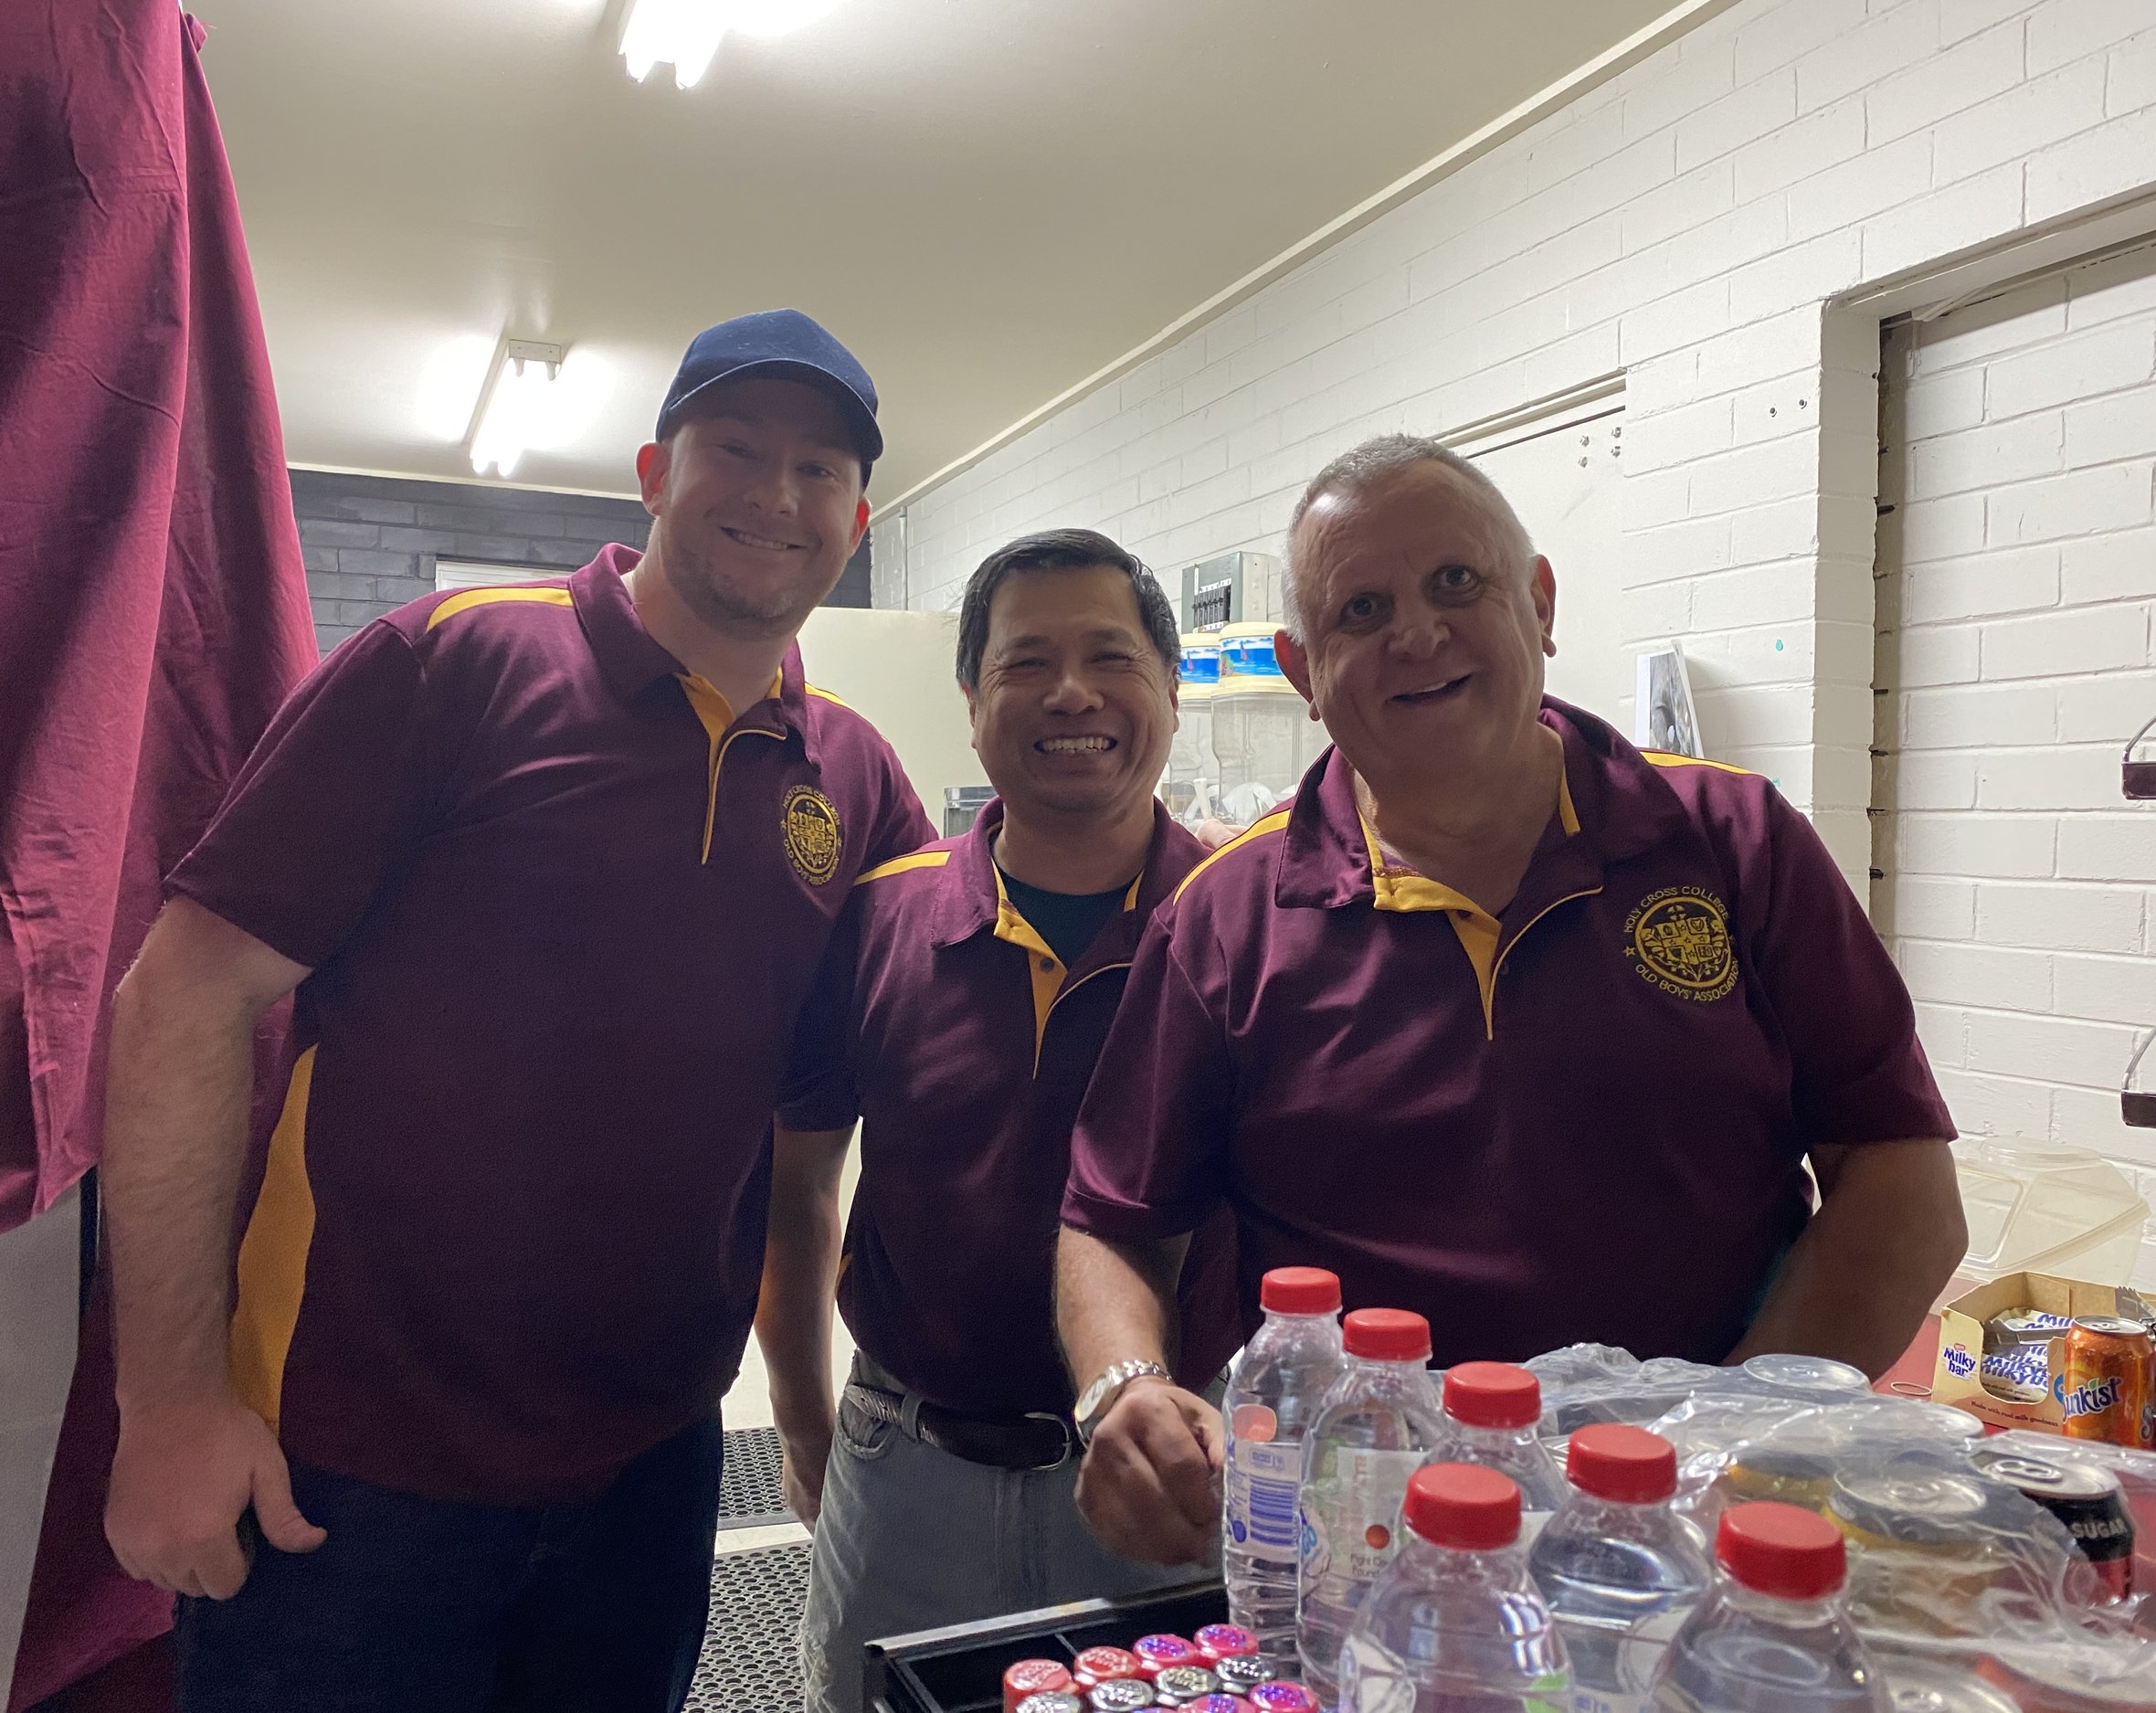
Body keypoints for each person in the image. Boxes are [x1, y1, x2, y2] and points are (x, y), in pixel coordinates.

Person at [100, 310, 935, 1711]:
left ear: (857, 515)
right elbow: (180, 998)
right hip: (350, 1462)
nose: (778, 497)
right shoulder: (451, 662)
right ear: (653, 471)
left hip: (651, 1467)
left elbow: (822, 1128)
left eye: (819, 469)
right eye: (736, 448)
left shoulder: (855, 775)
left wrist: (804, 1403)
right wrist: (169, 1406)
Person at [1054, 434, 1970, 1566]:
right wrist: (1124, 1387)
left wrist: (1721, 1452)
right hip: (1359, 1551)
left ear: (1537, 601)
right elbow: (1110, 1216)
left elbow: (1900, 1179)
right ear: (1301, 670)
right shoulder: (1226, 918)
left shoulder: (1734, 846)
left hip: (1699, 1534)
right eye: (1361, 609)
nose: (1417, 634)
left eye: (1455, 582)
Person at [762, 529, 1240, 1713]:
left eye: (1109, 655)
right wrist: (807, 1421)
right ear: (972, 698)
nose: (1071, 691)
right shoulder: (878, 918)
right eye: (1026, 661)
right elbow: (800, 1185)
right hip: (908, 1464)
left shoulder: (1248, 922)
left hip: (1170, 1475)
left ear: (1172, 689)